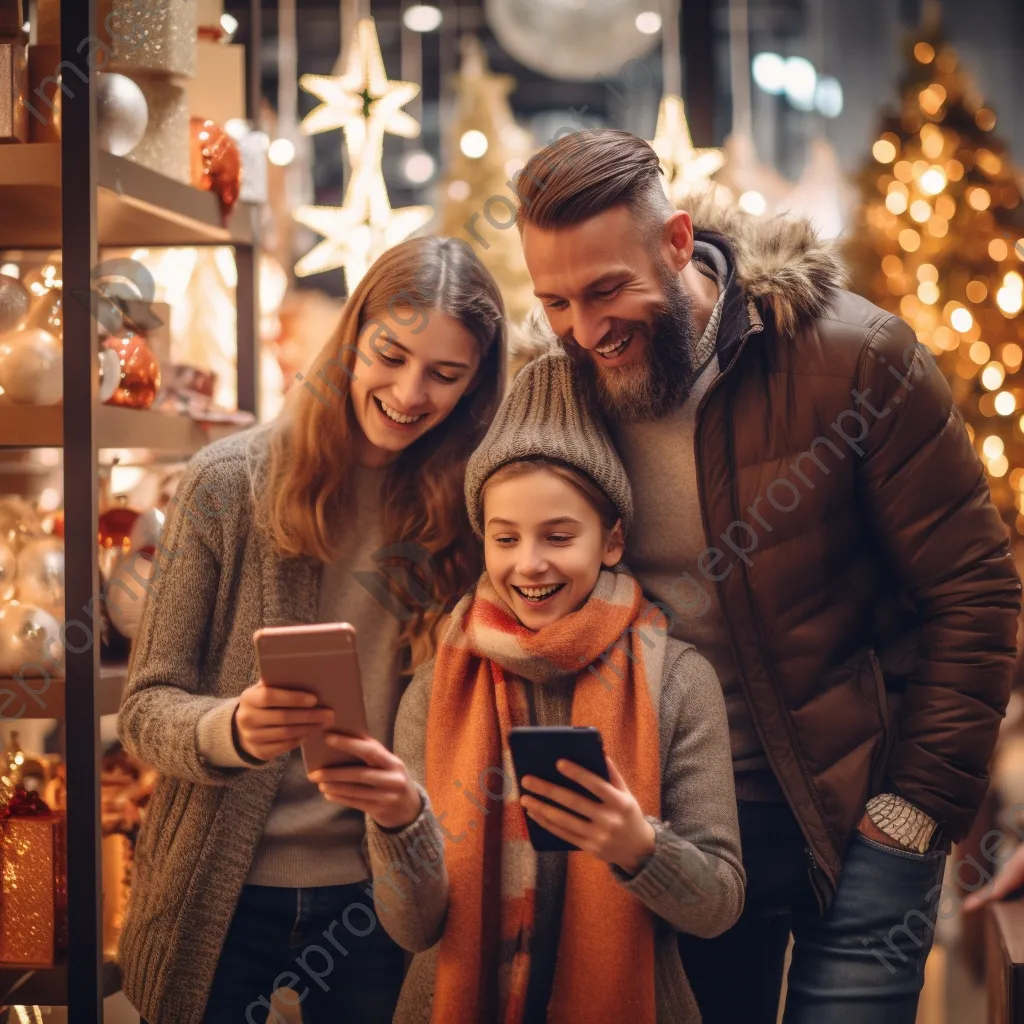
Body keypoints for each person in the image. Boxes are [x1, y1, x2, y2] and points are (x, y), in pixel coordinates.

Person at [510, 128, 1022, 1023]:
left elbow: (974, 593)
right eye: (554, 302)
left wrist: (913, 812)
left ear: (677, 243)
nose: (585, 331)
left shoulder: (855, 358)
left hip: (859, 819)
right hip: (682, 837)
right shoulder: (560, 393)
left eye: (606, 290)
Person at [116, 236, 507, 1024]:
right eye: (390, 355)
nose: (408, 391)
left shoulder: (476, 512)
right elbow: (143, 710)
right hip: (221, 890)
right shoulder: (227, 484)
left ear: (476, 386)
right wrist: (231, 728)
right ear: (353, 338)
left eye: (445, 374)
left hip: (382, 893)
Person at [319, 350, 744, 1023]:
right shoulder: (434, 690)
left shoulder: (677, 682)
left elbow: (719, 906)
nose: (529, 563)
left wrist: (638, 845)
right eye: (505, 537)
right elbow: (412, 929)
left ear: (611, 540)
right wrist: (400, 821)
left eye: (558, 535)